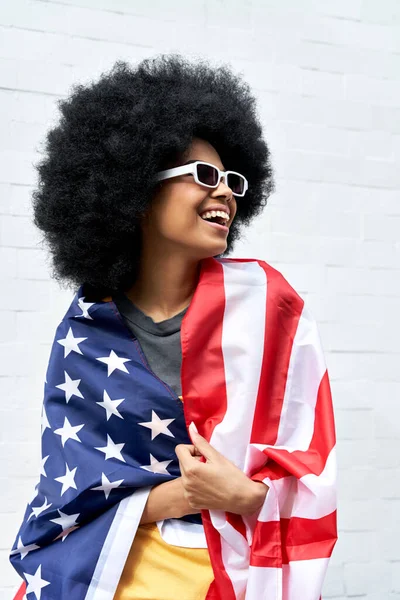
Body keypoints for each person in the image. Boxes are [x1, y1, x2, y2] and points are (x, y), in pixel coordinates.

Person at [9, 54, 337, 600]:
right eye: (203, 176)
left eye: (232, 179)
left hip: (233, 570)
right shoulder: (85, 333)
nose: (227, 193)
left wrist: (246, 497)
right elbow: (65, 502)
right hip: (112, 574)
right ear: (134, 191)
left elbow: (314, 467)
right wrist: (183, 494)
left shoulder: (270, 307)